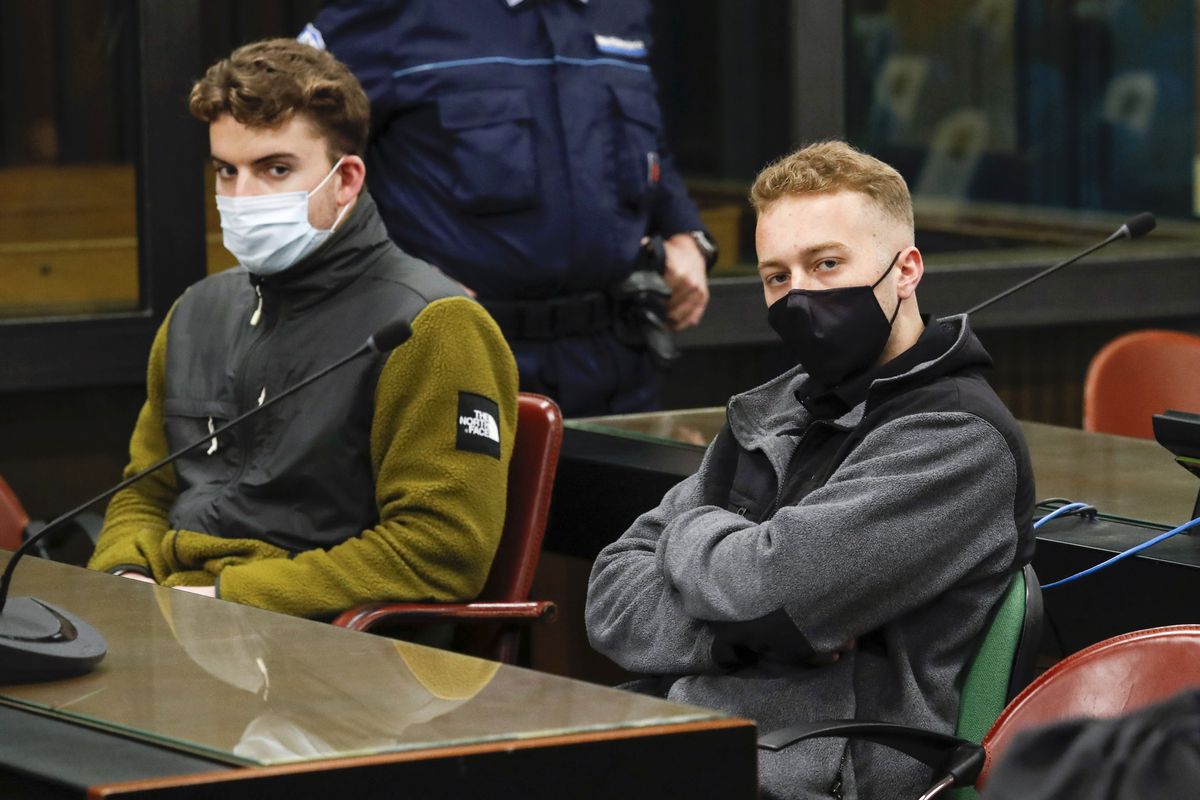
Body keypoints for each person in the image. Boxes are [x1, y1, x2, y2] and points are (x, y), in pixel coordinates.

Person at [585, 141, 1036, 799]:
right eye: (777, 276)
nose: (799, 295)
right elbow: (611, 596)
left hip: (825, 767)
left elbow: (775, 594)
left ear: (906, 268)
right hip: (698, 728)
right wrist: (735, 635)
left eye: (826, 264)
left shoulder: (955, 438)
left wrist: (691, 536)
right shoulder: (777, 409)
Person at [87, 39, 518, 620]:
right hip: (175, 622)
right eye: (226, 171)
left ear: (345, 181)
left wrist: (225, 599)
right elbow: (144, 492)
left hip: (327, 649)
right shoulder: (197, 311)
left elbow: (440, 551)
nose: (243, 197)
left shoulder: (431, 325)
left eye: (276, 169)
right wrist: (124, 574)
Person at [299, 1, 717, 417]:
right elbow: (289, 158)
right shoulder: (391, 12)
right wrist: (384, 275)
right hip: (464, 358)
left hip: (618, 363)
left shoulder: (621, 10)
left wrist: (686, 234)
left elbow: (648, 148)